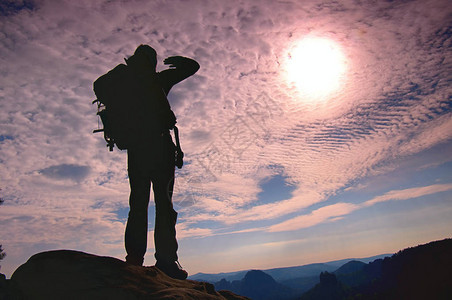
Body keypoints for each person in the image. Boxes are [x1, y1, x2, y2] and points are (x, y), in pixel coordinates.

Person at [124, 44, 199, 280]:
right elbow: (192, 67)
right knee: (164, 206)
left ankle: (134, 259)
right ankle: (166, 261)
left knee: (137, 204)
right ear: (152, 62)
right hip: (159, 150)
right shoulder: (158, 80)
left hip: (136, 153)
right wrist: (178, 60)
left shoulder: (123, 84)